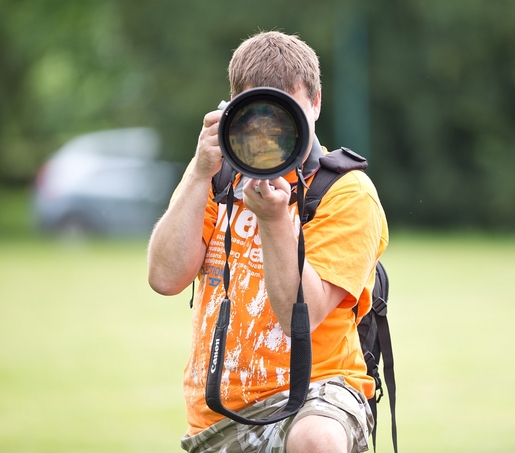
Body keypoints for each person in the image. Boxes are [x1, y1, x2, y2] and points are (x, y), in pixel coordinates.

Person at [147, 31, 388, 453]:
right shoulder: (215, 177)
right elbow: (165, 278)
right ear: (233, 112)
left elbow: (302, 316)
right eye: (259, 116)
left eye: (286, 113)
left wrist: (275, 218)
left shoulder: (345, 192)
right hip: (219, 417)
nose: (272, 130)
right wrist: (200, 171)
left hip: (318, 392)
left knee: (317, 441)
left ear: (315, 104)